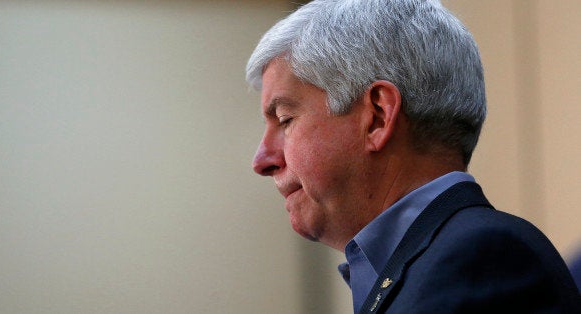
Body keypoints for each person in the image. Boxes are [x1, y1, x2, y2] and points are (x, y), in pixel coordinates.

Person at [246, 0, 581, 313]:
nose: (262, 160)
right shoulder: (427, 261)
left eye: (286, 120)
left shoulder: (481, 258)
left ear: (377, 117)